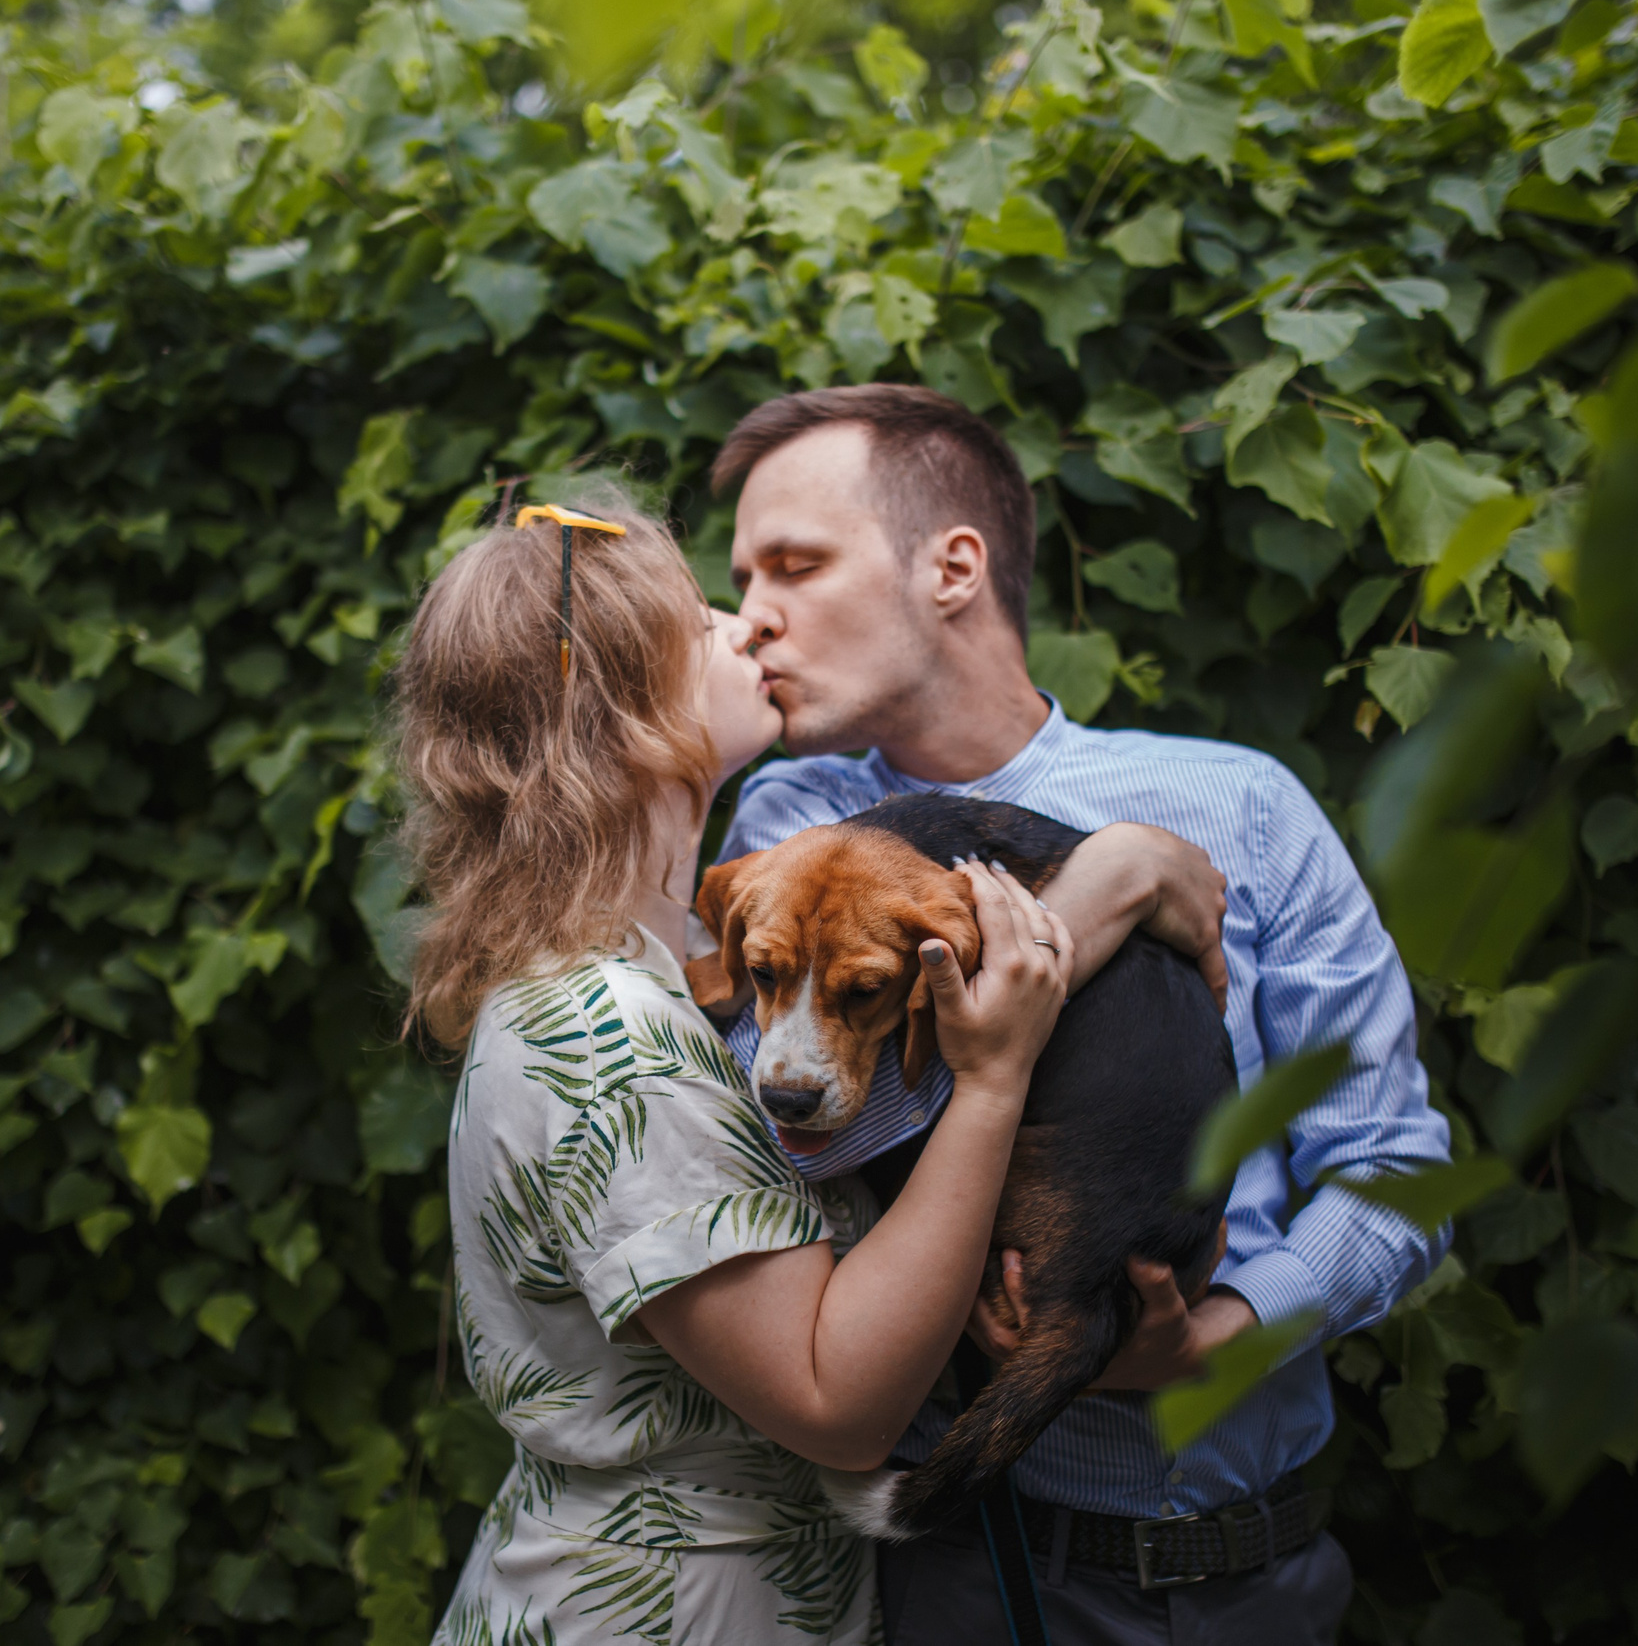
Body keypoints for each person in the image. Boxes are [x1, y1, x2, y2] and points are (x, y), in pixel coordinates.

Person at [709, 385, 1454, 1645]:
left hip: (1259, 1571)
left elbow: (1393, 1169)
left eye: (795, 564)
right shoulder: (796, 832)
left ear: (952, 567)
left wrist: (1223, 1335)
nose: (750, 620)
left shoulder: (1241, 809)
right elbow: (809, 1134)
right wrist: (1103, 889)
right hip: (977, 1568)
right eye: (742, 577)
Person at [401, 495, 1130, 1645]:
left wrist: (1132, 864)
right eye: (701, 619)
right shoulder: (609, 1035)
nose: (749, 626)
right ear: (628, 716)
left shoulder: (676, 968)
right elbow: (836, 1406)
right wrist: (991, 1082)